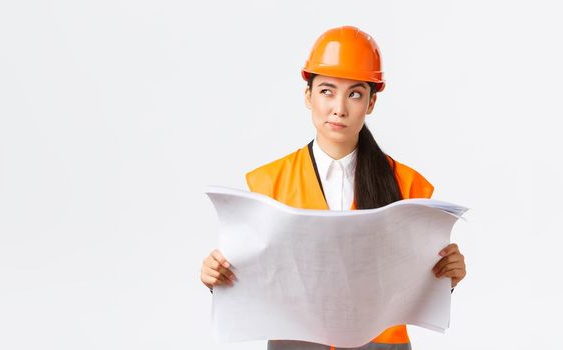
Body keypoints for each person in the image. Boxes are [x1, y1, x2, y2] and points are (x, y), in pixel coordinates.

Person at [200, 25, 467, 350]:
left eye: (355, 93)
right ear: (308, 95)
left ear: (371, 103)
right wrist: (218, 277)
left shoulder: (408, 185)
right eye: (327, 90)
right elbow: (256, 280)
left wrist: (447, 277)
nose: (339, 107)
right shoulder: (267, 183)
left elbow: (416, 286)